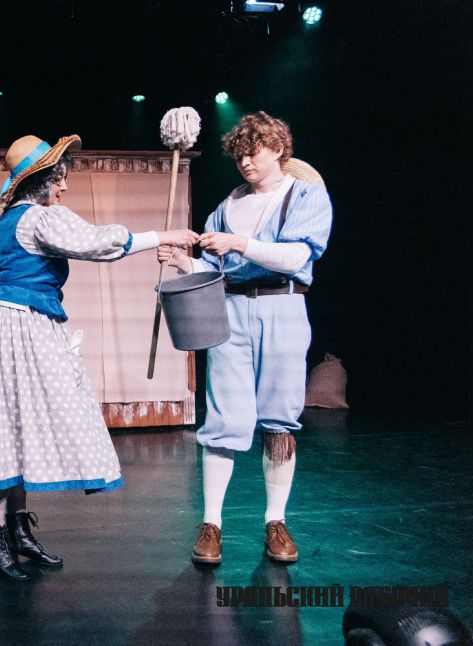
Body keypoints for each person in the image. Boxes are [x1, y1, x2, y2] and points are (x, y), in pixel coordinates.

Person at [0, 134, 199, 580]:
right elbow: (96, 242)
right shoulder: (39, 218)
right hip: (22, 326)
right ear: (42, 181)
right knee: (9, 426)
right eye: (60, 179)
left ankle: (16, 532)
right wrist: (162, 236)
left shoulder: (2, 223)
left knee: (16, 425)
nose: (64, 187)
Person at [158, 112, 333, 565]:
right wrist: (184, 262)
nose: (245, 163)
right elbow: (217, 270)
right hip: (231, 310)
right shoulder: (229, 204)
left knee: (279, 418)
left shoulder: (306, 196)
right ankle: (211, 524)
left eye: (252, 153)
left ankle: (276, 522)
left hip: (283, 306)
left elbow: (296, 256)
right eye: (239, 156)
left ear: (278, 149)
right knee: (223, 417)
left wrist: (239, 243)